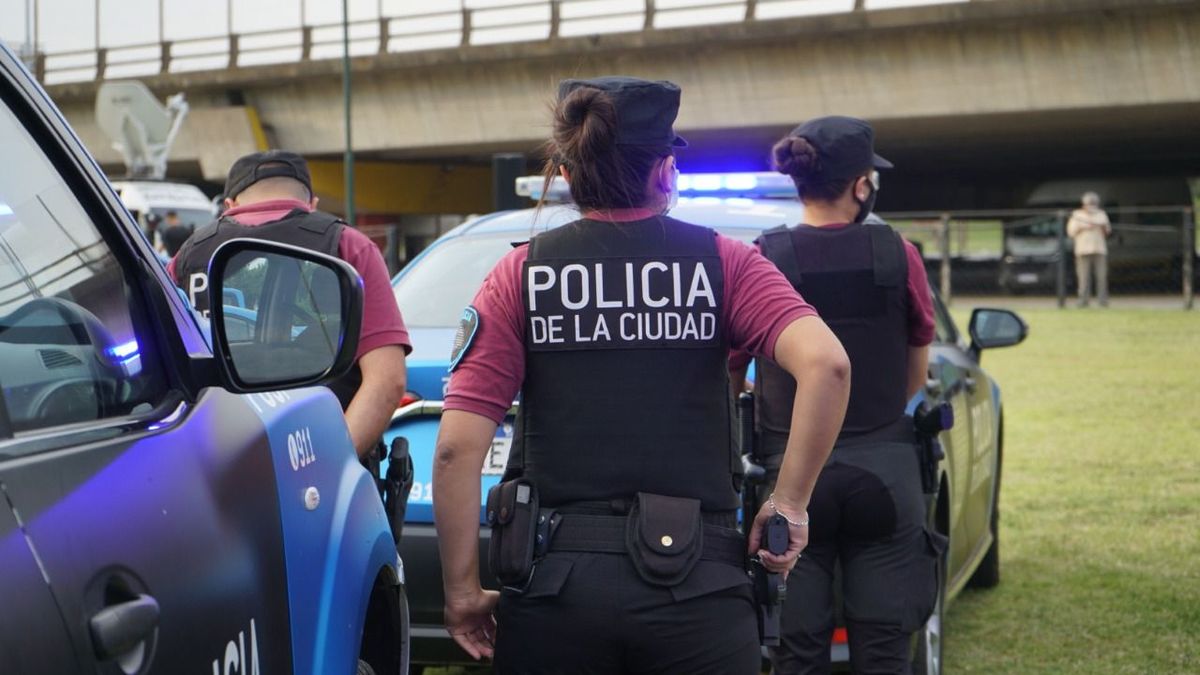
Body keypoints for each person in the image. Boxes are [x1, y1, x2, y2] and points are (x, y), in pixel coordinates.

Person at [431, 76, 851, 674]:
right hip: (701, 593)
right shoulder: (725, 262)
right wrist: (788, 506)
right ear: (663, 172)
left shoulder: (520, 274)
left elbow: (453, 451)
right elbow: (829, 366)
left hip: (554, 590)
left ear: (570, 174)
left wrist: (463, 592)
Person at [738, 116, 944, 674]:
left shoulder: (764, 256)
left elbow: (735, 369)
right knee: (883, 651)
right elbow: (913, 369)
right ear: (861, 185)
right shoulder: (900, 254)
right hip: (886, 470)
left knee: (796, 651)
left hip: (792, 478)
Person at [168, 150, 410, 458]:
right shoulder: (349, 245)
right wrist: (332, 467)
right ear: (312, 204)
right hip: (316, 457)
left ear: (229, 206)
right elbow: (388, 381)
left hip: (211, 461)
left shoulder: (187, 256)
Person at [1067, 191, 1111, 307]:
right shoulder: (1077, 215)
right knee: (1083, 278)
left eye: (1093, 204)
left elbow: (1107, 232)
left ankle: (1103, 301)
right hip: (1083, 250)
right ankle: (1083, 301)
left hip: (1099, 249)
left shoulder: (1101, 214)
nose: (1091, 207)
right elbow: (1071, 232)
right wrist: (1085, 227)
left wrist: (1100, 226)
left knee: (1101, 277)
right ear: (1084, 204)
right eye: (1089, 204)